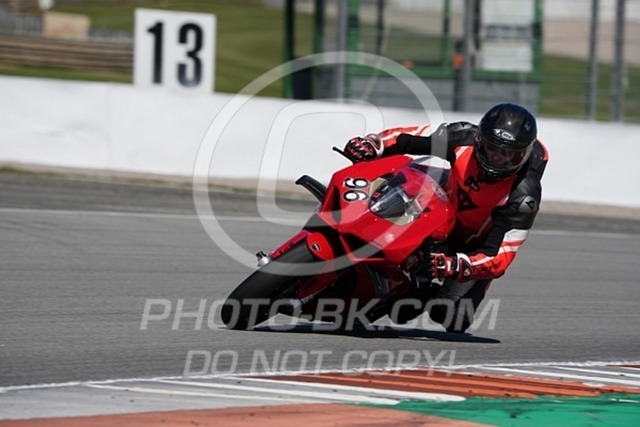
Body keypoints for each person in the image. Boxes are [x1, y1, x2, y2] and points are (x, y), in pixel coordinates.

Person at [343, 103, 549, 333]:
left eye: (508, 155)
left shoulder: (524, 196)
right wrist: (373, 143)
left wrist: (456, 265)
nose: (497, 158)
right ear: (479, 140)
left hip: (473, 249)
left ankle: (423, 291)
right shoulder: (462, 137)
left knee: (451, 317)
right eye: (491, 148)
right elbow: (407, 137)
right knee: (406, 175)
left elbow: (502, 256)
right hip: (436, 217)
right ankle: (356, 225)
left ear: (524, 154)